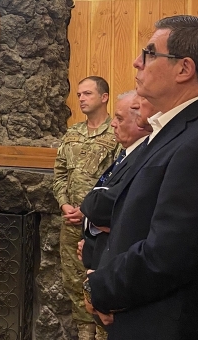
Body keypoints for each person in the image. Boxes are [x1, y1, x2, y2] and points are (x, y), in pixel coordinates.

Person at [85, 15, 198, 339]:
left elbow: (168, 255)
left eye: (149, 53)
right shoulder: (176, 127)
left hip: (171, 324)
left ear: (184, 69)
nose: (136, 62)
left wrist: (99, 287)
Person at [52, 76, 119, 340]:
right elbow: (59, 174)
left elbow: (118, 181)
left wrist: (89, 211)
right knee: (73, 283)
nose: (81, 98)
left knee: (100, 282)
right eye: (79, 94)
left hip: (100, 228)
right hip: (70, 225)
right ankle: (83, 335)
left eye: (87, 93)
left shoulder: (117, 133)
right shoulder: (72, 134)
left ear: (104, 97)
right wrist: (64, 204)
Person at [79, 91, 153, 271]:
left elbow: (100, 207)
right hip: (101, 258)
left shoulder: (144, 156)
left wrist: (95, 218)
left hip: (120, 265)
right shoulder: (127, 152)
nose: (113, 123)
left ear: (140, 122)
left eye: (119, 119)